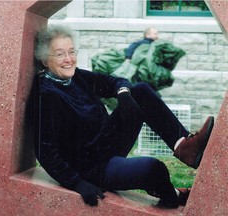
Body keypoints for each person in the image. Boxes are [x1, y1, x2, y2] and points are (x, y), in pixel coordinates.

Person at [32, 25, 214, 208]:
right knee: (154, 168)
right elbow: (45, 152)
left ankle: (184, 148)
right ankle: (172, 196)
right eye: (60, 54)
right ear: (45, 60)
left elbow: (115, 81)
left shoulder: (76, 77)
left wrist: (124, 93)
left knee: (141, 91)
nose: (69, 59)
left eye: (72, 52)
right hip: (94, 168)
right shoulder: (46, 94)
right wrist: (77, 183)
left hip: (108, 142)